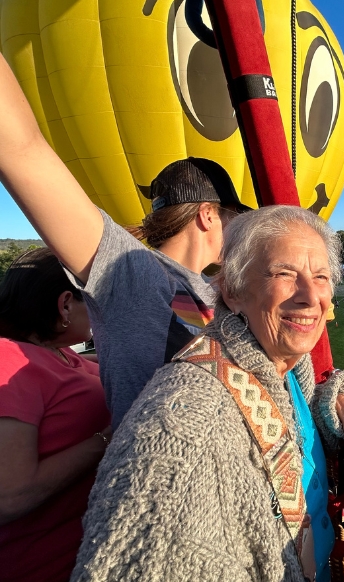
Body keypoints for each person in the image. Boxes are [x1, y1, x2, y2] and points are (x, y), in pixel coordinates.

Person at [71, 206, 344, 581]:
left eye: (321, 276)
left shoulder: (287, 366)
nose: (310, 295)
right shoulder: (185, 433)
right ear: (234, 291)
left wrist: (338, 400)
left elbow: (294, 419)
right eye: (284, 274)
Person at [0, 54, 250, 428]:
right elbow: (23, 150)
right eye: (234, 219)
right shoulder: (131, 270)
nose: (239, 233)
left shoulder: (212, 290)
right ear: (208, 215)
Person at [0, 249, 111, 582]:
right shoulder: (10, 362)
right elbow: (10, 495)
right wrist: (108, 439)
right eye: (93, 302)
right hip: (42, 565)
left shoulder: (60, 354)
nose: (99, 312)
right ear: (65, 305)